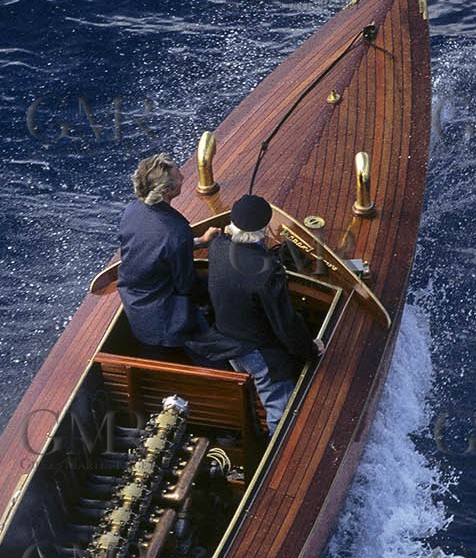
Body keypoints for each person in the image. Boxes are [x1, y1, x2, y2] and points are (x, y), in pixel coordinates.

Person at [206, 193, 324, 431]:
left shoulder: (217, 247)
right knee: (281, 417)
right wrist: (311, 350)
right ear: (266, 229)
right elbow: (286, 324)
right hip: (258, 355)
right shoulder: (268, 271)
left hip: (226, 345)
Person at [117, 154, 225, 363]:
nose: (184, 177)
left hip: (134, 301)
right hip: (164, 315)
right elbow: (185, 284)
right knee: (211, 353)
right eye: (179, 178)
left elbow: (153, 246)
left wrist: (199, 242)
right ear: (167, 191)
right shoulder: (176, 231)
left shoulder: (132, 210)